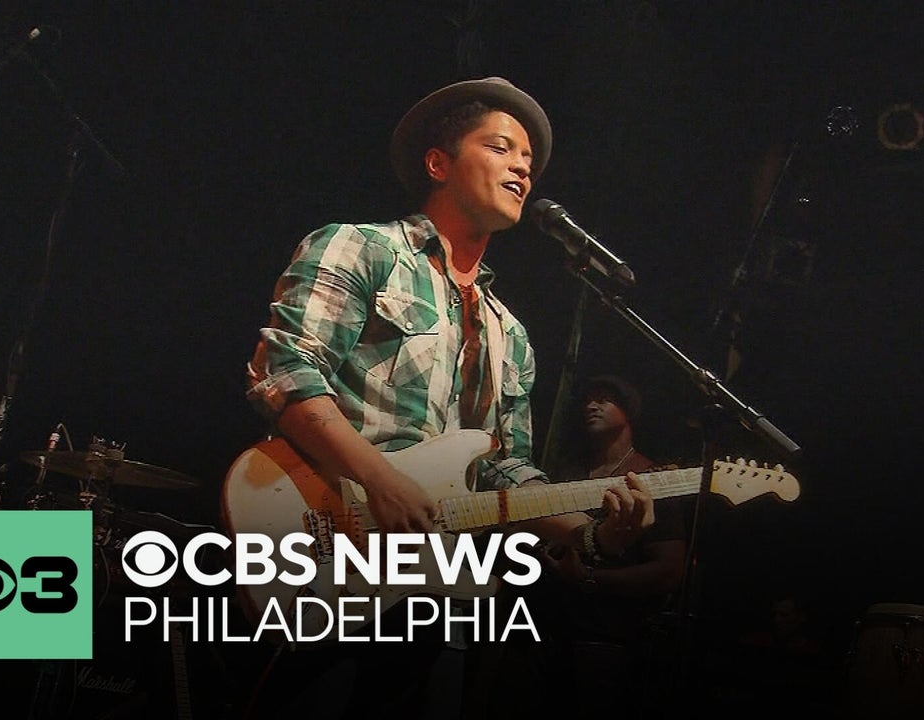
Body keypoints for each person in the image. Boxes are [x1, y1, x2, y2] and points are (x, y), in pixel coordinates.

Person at [241, 77, 655, 719]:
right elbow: (284, 371)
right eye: (500, 147)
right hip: (323, 535)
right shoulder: (362, 248)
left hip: (432, 582)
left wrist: (593, 530)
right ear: (438, 163)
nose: (522, 168)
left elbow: (505, 469)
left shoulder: (509, 334)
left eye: (529, 160)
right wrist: (380, 479)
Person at [479, 375, 688, 717]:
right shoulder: (567, 471)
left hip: (600, 642)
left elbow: (669, 570)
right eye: (588, 399)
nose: (592, 405)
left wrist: (589, 578)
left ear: (629, 410)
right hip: (537, 630)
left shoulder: (650, 478)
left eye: (604, 399)